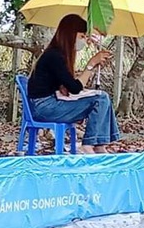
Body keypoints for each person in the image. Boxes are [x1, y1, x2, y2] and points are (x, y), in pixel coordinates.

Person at [26, 14, 119, 154]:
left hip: (47, 104)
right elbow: (75, 88)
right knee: (101, 99)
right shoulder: (55, 56)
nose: (84, 41)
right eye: (82, 37)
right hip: (44, 107)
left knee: (102, 97)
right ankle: (88, 145)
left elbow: (69, 87)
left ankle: (99, 144)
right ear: (70, 35)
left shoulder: (58, 55)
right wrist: (91, 64)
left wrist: (92, 68)